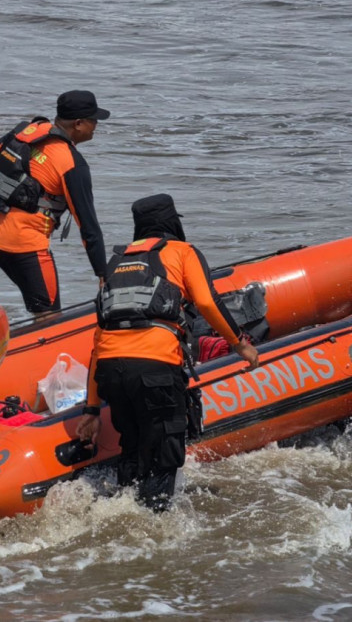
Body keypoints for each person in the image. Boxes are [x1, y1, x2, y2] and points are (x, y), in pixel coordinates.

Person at [76, 194, 259, 511]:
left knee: (132, 447)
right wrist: (240, 343)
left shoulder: (115, 264)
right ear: (172, 223)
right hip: (156, 366)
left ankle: (124, 514)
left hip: (111, 370)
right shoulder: (183, 252)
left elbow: (100, 335)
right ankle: (153, 524)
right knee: (164, 452)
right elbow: (206, 302)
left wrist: (92, 410)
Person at [0, 90, 109, 315]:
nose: (96, 125)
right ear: (78, 124)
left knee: (37, 305)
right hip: (25, 248)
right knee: (49, 317)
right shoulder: (72, 164)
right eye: (93, 120)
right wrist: (103, 274)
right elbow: (88, 226)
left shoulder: (27, 131)